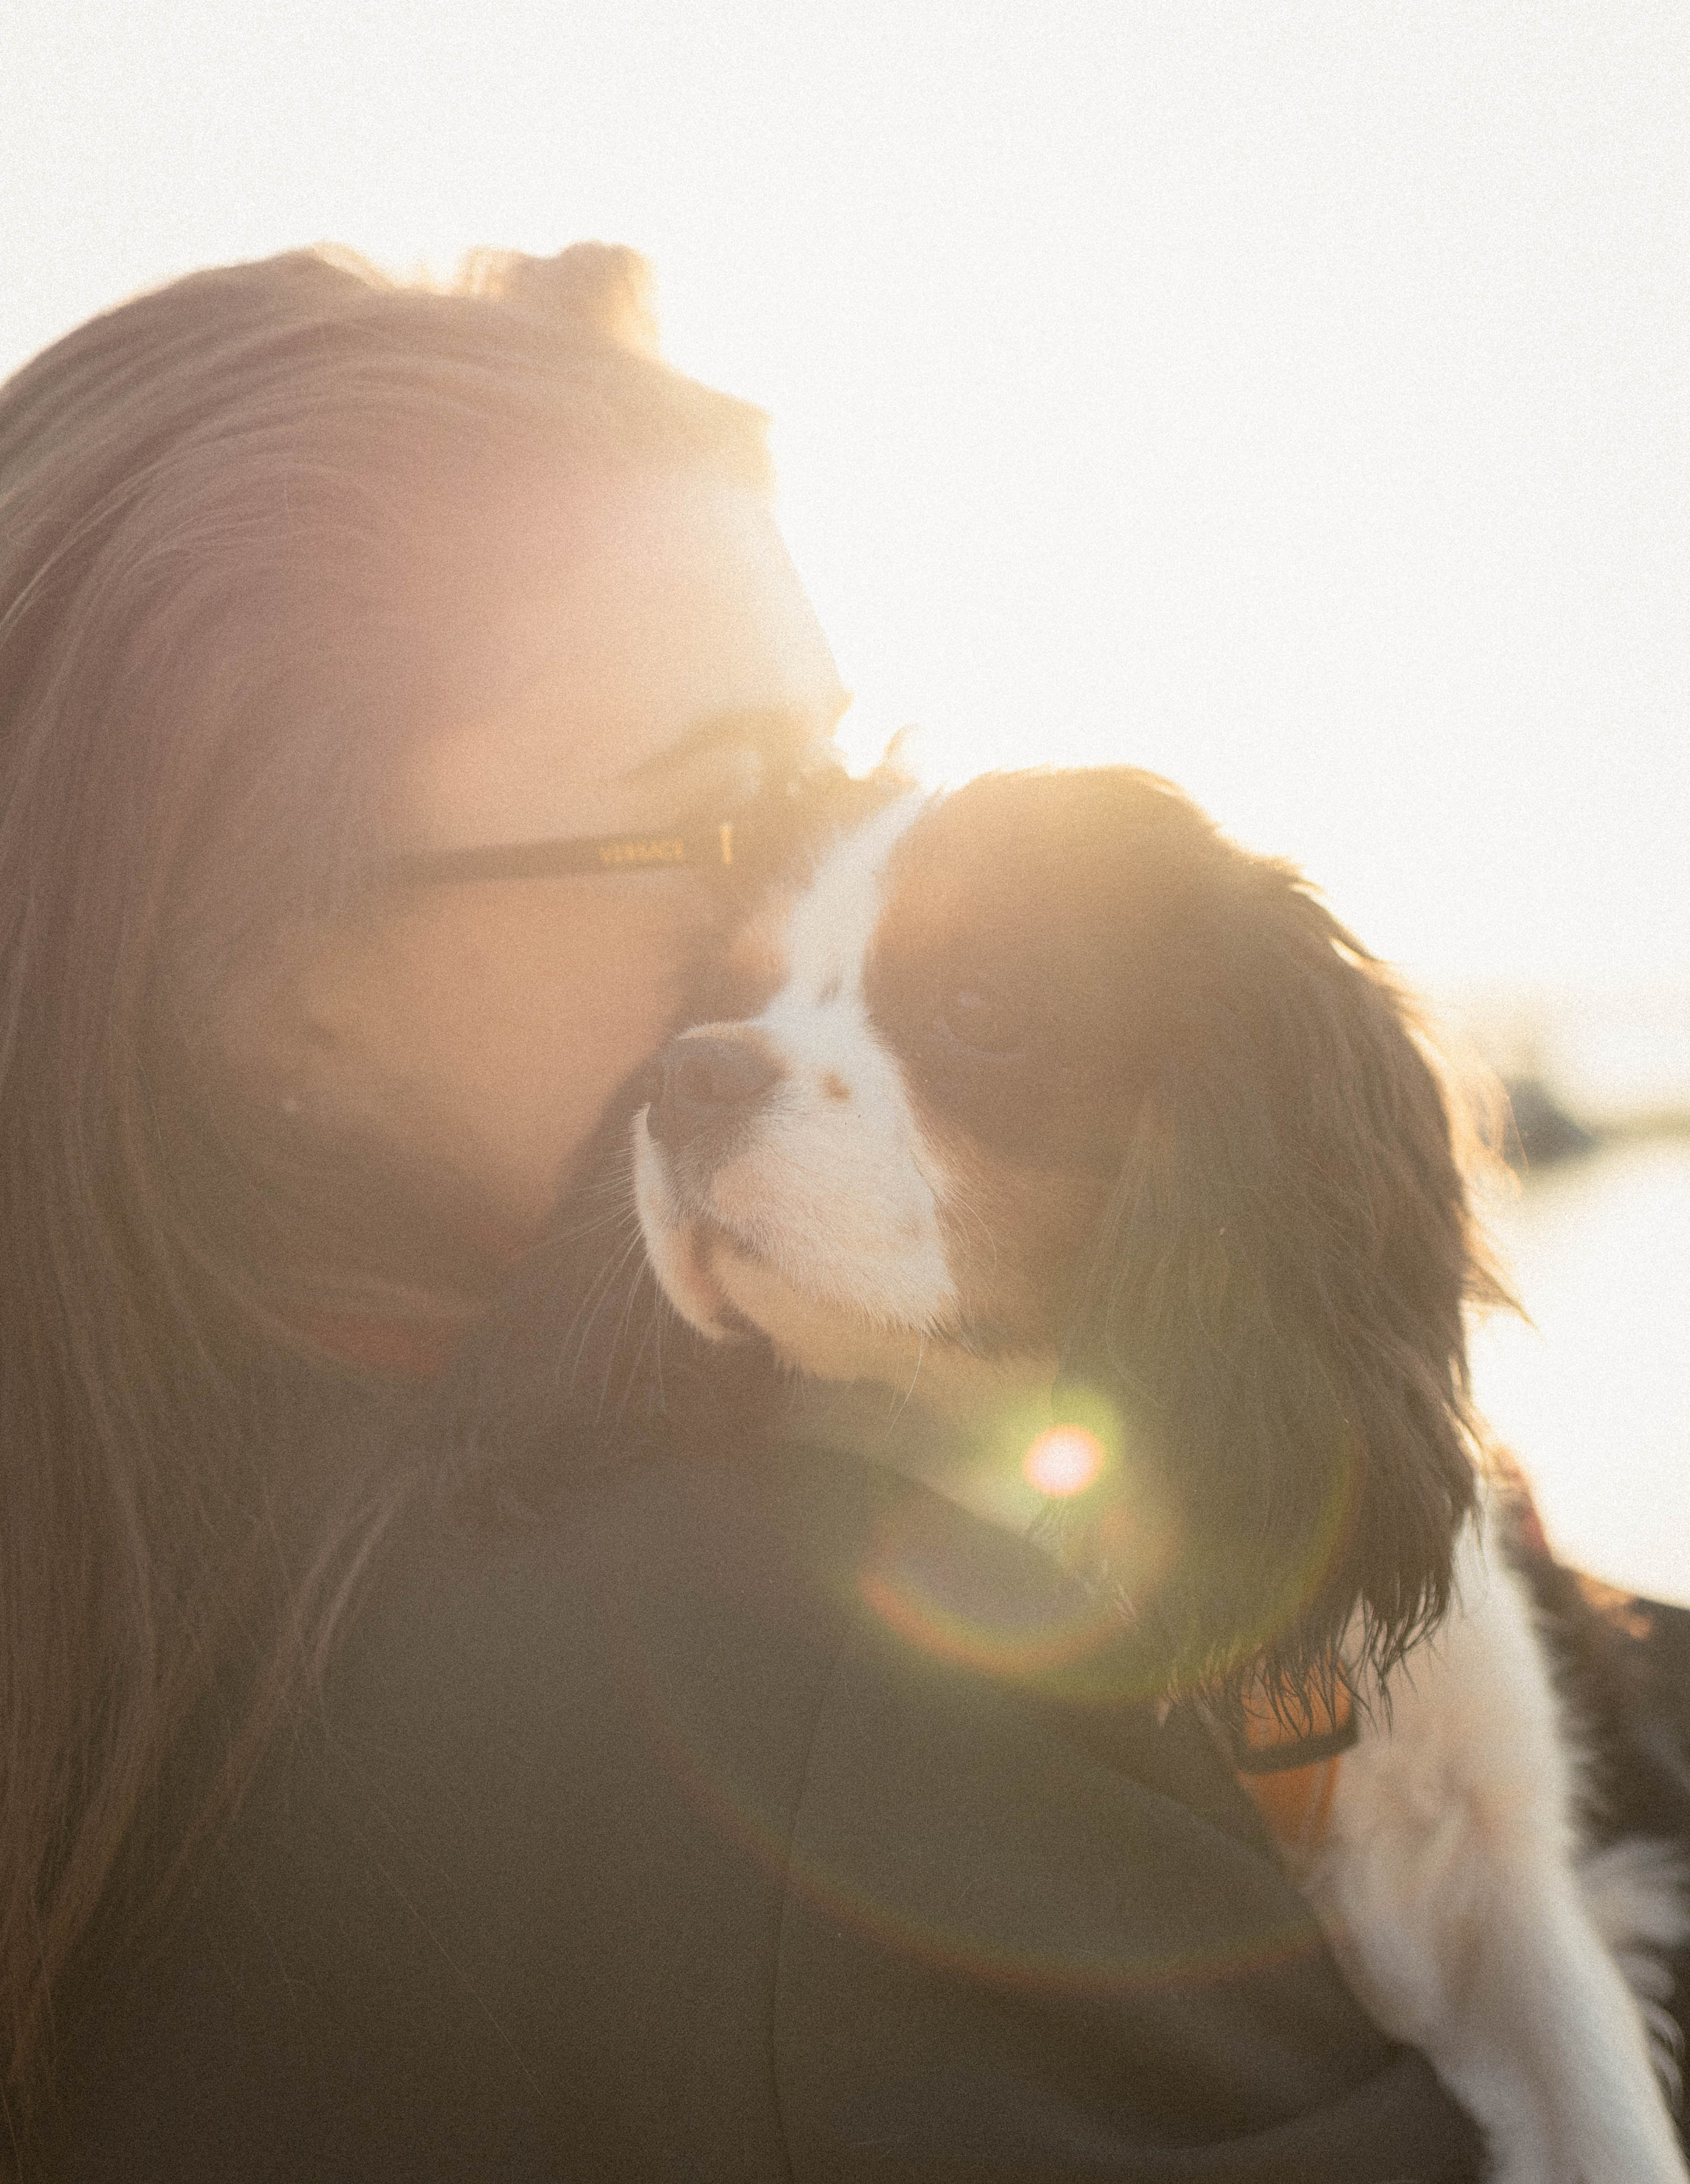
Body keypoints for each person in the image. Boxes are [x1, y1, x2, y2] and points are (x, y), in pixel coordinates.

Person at [0, 241, 1538, 2180]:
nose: (823, 892)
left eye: (845, 777)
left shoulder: (118, 1574)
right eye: (731, 809)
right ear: (271, 971)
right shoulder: (810, 1718)